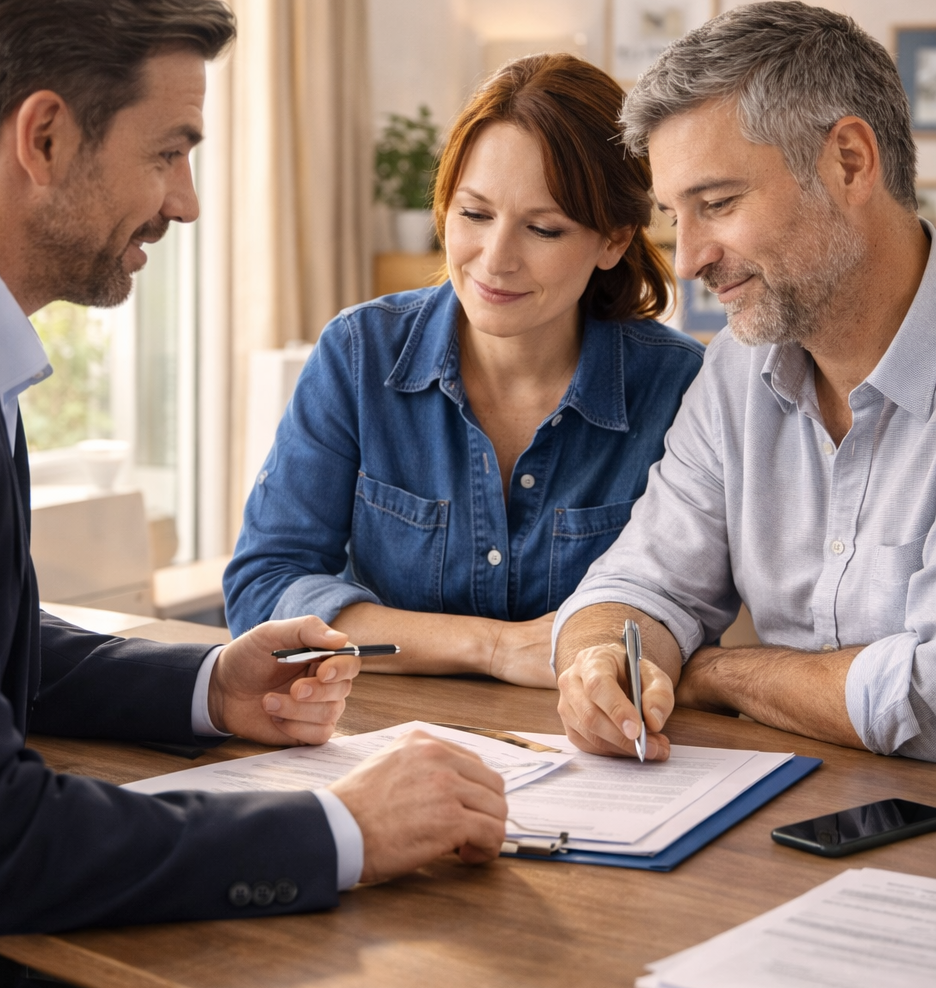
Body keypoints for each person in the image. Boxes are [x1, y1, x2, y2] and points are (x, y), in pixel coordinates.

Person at [0, 0, 508, 988]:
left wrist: (204, 684)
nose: (185, 200)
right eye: (170, 151)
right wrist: (343, 828)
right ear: (43, 137)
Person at [225, 54, 704, 684]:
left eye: (543, 229)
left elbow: (688, 615)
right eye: (474, 215)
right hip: (384, 730)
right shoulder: (360, 353)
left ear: (613, 240)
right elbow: (263, 591)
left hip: (594, 737)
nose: (495, 259)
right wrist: (493, 647)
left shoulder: (681, 388)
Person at [554, 0, 936, 766]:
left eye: (718, 204)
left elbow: (926, 697)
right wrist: (603, 661)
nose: (689, 259)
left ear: (850, 162)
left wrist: (719, 673)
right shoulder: (735, 369)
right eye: (675, 216)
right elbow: (640, 584)